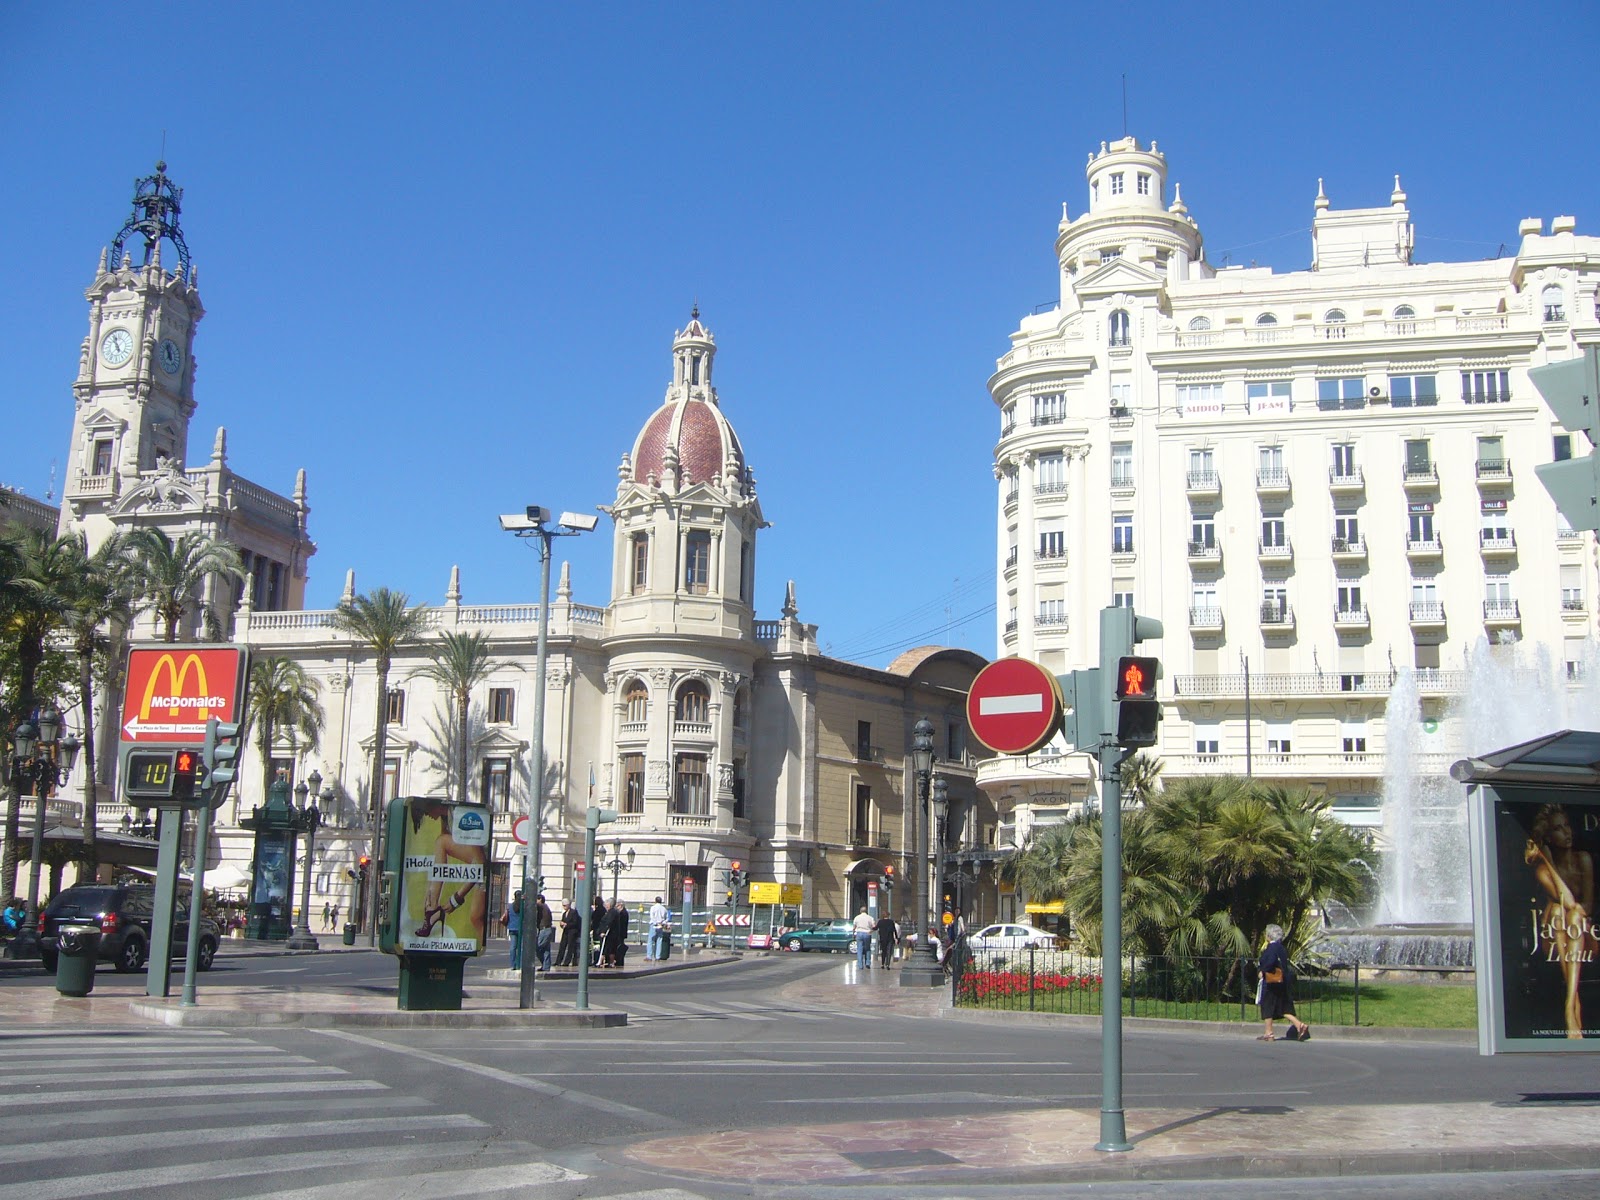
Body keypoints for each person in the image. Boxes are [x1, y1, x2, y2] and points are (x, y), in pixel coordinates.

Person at [1525, 803, 1596, 1038]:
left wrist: (1576, 912)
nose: (1566, 832)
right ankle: (1573, 1006)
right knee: (1557, 911)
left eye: (1567, 826)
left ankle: (1570, 1003)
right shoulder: (1543, 871)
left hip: (1585, 936)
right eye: (1558, 829)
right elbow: (1566, 899)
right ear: (1548, 838)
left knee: (1573, 915)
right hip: (1554, 940)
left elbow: (1584, 906)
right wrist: (1547, 860)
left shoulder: (1583, 859)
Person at [1257, 923, 1311, 1042]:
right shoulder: (1281, 948)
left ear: (1269, 935)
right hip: (1282, 981)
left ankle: (1269, 1033)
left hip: (1271, 982)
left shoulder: (1271, 948)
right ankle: (1300, 1025)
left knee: (1267, 1005)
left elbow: (1270, 962)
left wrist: (1263, 971)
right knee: (1282, 1007)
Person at [603, 899, 630, 967]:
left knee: (618, 947)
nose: (616, 907)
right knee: (617, 947)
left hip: (620, 933)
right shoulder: (621, 912)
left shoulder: (623, 913)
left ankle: (618, 960)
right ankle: (617, 960)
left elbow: (621, 924)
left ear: (621, 905)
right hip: (620, 933)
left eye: (617, 906)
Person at [555, 900, 581, 967]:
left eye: (565, 905)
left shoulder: (573, 912)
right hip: (566, 932)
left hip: (572, 932)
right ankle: (558, 961)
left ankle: (566, 962)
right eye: (563, 905)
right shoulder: (564, 914)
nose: (564, 907)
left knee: (570, 947)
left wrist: (566, 924)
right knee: (562, 946)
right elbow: (563, 921)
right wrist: (562, 924)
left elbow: (575, 922)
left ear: (569, 905)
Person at [534, 893, 555, 970]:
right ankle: (546, 966)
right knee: (546, 950)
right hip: (546, 929)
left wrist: (528, 898)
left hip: (544, 930)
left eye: (536, 899)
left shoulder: (542, 906)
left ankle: (545, 964)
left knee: (538, 947)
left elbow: (538, 905)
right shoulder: (545, 907)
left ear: (540, 899)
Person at [504, 890, 523, 969]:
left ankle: (512, 964)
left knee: (513, 947)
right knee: (521, 948)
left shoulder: (510, 906)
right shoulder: (523, 906)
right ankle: (520, 964)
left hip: (512, 928)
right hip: (521, 928)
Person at [646, 896, 670, 961]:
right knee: (659, 940)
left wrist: (655, 923)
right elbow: (667, 918)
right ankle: (658, 956)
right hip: (661, 925)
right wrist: (663, 923)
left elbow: (652, 917)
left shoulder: (653, 907)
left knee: (650, 940)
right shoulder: (664, 909)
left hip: (654, 925)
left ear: (655, 901)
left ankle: (649, 956)